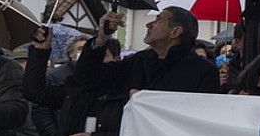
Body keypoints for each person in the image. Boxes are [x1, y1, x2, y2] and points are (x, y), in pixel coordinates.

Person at [82, 8, 220, 95]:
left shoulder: (203, 72)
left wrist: (146, 100)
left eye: (158, 20)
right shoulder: (138, 61)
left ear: (175, 31)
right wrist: (101, 39)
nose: (149, 25)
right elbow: (89, 79)